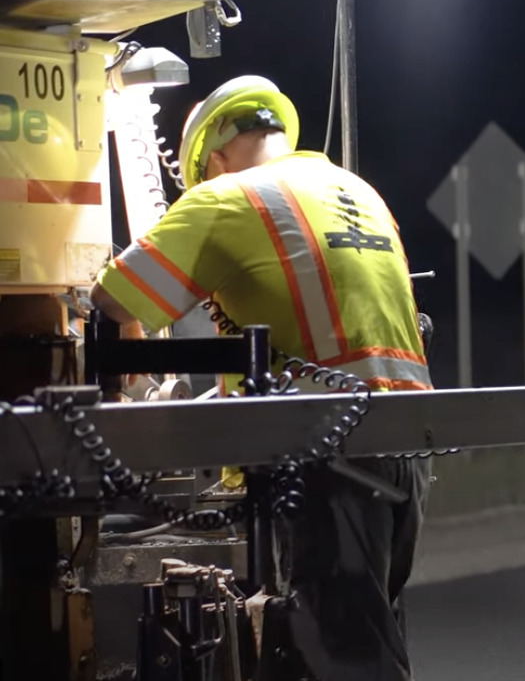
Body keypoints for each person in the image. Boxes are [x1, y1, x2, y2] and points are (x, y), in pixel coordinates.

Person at [89, 75, 432, 680]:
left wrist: (132, 379)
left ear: (212, 158)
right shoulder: (355, 190)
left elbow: (113, 298)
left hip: (328, 454)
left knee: (345, 659)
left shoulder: (227, 198)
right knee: (360, 632)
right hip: (411, 445)